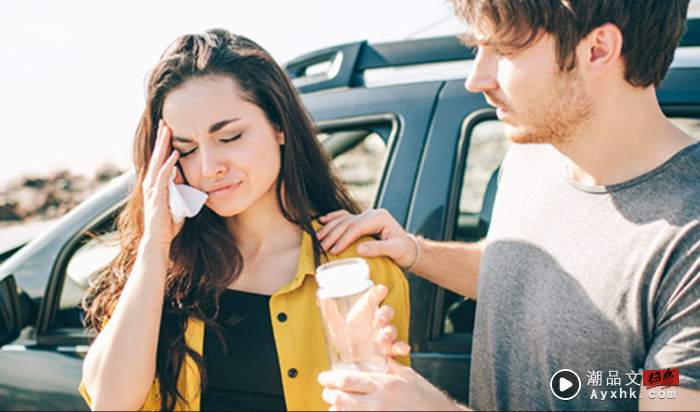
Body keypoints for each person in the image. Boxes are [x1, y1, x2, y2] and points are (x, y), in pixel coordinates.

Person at [316, 0, 700, 410]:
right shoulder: (533, 155)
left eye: (505, 51)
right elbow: (522, 275)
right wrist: (415, 251)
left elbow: (658, 390)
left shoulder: (688, 240)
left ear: (598, 50)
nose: (476, 78)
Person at [78, 29, 410, 412]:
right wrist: (155, 244)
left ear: (279, 126)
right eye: (186, 149)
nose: (209, 168)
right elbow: (109, 403)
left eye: (230, 137)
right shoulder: (165, 267)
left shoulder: (357, 265)